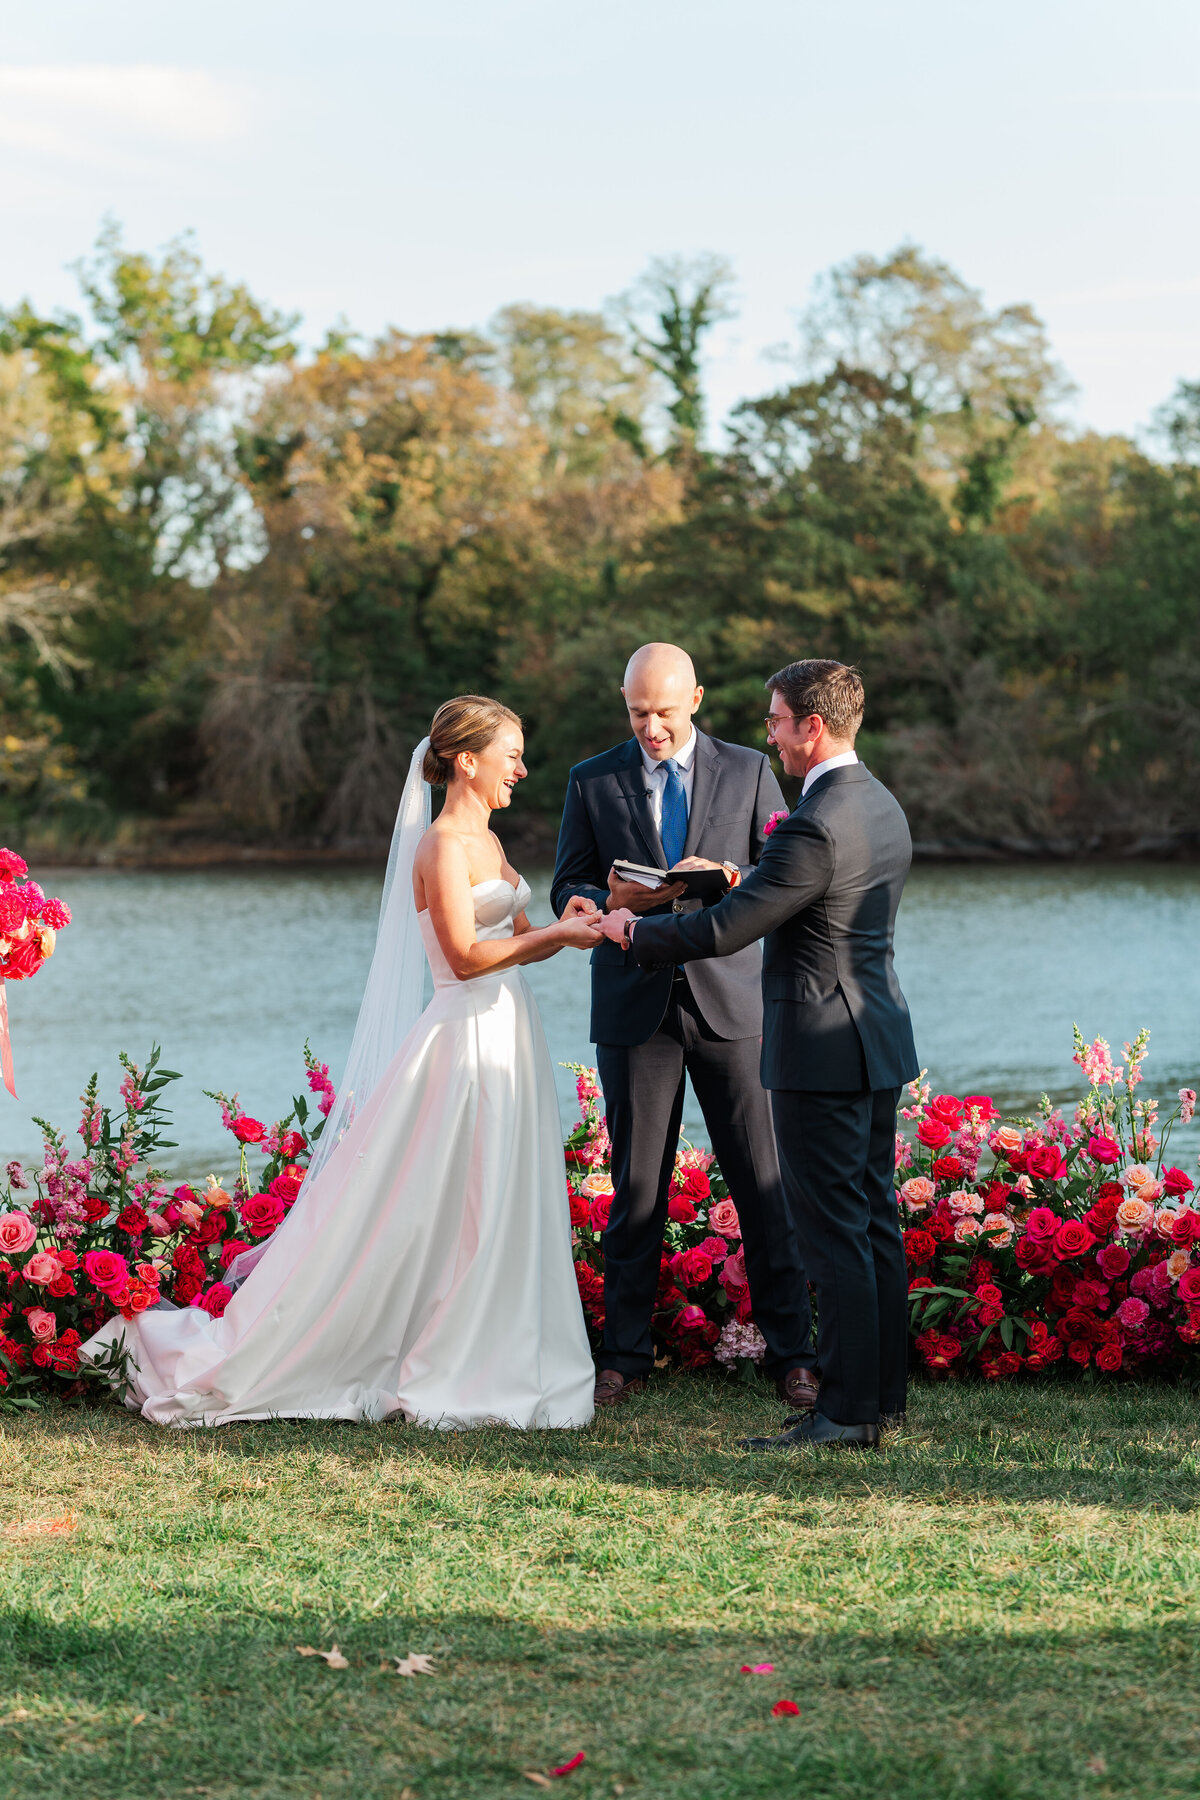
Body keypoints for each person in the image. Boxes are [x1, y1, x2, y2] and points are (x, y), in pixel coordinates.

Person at [82, 696, 601, 1429]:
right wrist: (558, 940)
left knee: (497, 1191)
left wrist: (577, 925)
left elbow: (520, 937)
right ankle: (435, 1354)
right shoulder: (444, 848)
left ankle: (499, 1342)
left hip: (511, 1029)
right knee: (448, 1198)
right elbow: (465, 955)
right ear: (467, 759)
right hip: (463, 1039)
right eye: (512, 753)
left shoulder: (488, 840)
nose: (522, 768)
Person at [594, 659, 919, 1450]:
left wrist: (634, 932)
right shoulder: (877, 803)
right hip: (875, 1033)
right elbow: (772, 899)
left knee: (835, 1230)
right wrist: (722, 884)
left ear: (812, 725)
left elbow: (728, 929)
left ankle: (842, 1413)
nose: (768, 734)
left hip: (819, 1045)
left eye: (776, 721)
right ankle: (880, 1396)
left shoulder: (813, 821)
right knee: (872, 1220)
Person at [552, 642, 817, 1411]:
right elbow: (567, 881)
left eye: (664, 713)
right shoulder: (591, 778)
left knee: (762, 1184)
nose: (652, 728)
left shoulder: (748, 770)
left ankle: (793, 1353)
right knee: (637, 1188)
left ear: (695, 698)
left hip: (733, 1002)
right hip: (634, 1003)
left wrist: (729, 877)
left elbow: (782, 872)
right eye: (638, 713)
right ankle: (625, 1357)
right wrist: (587, 901)